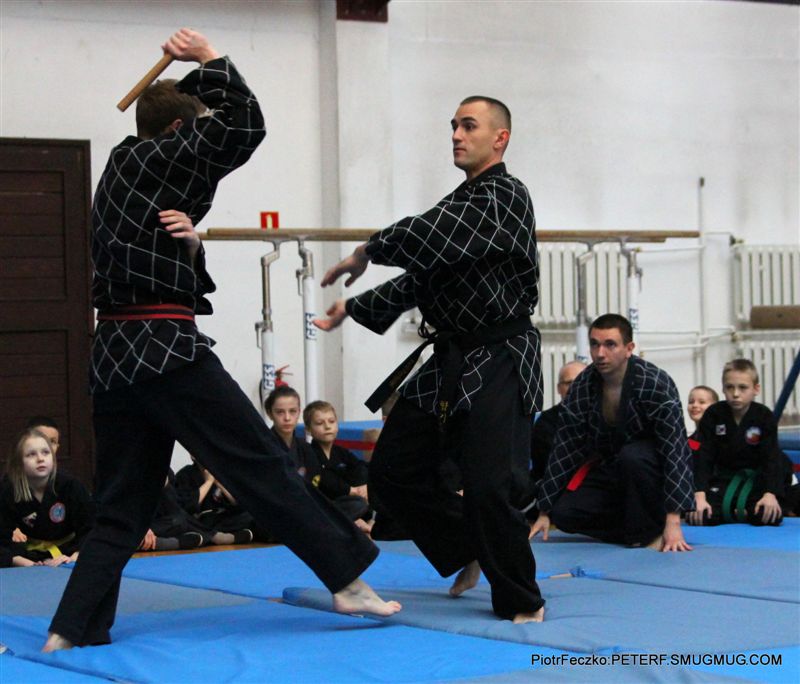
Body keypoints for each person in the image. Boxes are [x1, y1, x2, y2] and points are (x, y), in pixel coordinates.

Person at [42, 28, 398, 653]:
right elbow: (245, 126)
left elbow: (159, 264)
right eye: (195, 130)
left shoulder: (122, 175)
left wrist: (192, 244)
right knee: (260, 462)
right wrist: (207, 58)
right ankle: (346, 579)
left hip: (115, 358)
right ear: (179, 132)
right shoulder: (155, 157)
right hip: (165, 350)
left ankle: (70, 629)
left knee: (123, 506)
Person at [316, 96, 545, 623]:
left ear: (500, 138)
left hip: (501, 355)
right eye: (454, 126)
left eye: (469, 126)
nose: (457, 135)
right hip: (451, 357)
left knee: (490, 485)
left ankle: (523, 599)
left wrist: (368, 250)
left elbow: (429, 234)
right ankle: (466, 546)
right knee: (392, 472)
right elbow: (425, 277)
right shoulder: (459, 204)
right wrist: (355, 306)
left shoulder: (506, 196)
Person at [530, 314, 694, 552]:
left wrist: (674, 520)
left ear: (629, 348)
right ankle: (637, 531)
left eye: (610, 345)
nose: (600, 353)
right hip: (613, 470)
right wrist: (545, 510)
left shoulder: (654, 383)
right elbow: (566, 447)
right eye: (594, 344)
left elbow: (675, 450)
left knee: (632, 456)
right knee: (563, 513)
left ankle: (648, 529)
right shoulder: (583, 385)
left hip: (651, 474)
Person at [687, 359, 785, 526]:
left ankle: (740, 511)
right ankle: (736, 511)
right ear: (723, 388)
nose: (735, 393)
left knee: (768, 516)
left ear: (756, 389)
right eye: (730, 387)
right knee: (699, 516)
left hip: (753, 483)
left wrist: (770, 494)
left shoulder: (764, 416)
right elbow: (703, 458)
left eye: (742, 387)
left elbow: (771, 458)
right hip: (721, 482)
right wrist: (699, 494)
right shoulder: (714, 414)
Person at [0, 428, 94, 568]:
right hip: (28, 554)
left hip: (69, 551)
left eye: (45, 452)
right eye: (31, 454)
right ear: (18, 463)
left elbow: (90, 529)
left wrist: (75, 557)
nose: (40, 459)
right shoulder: (8, 489)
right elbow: (2, 538)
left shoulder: (70, 485)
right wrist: (24, 562)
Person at [520, 360, 587, 522]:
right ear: (558, 388)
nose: (574, 387)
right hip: (555, 488)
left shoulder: (601, 416)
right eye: (568, 383)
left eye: (580, 381)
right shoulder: (546, 422)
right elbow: (551, 466)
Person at [303, 401, 372, 529]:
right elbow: (324, 479)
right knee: (358, 504)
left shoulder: (340, 452)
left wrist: (364, 487)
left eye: (331, 421)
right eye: (320, 423)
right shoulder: (308, 452)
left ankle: (358, 520)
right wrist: (351, 490)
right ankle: (353, 521)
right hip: (323, 505)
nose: (327, 427)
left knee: (364, 479)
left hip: (343, 502)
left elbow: (360, 467)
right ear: (308, 429)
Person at [686, 385, 719, 458]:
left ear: (715, 407)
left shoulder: (720, 436)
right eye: (691, 402)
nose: (694, 405)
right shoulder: (689, 441)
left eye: (702, 402)